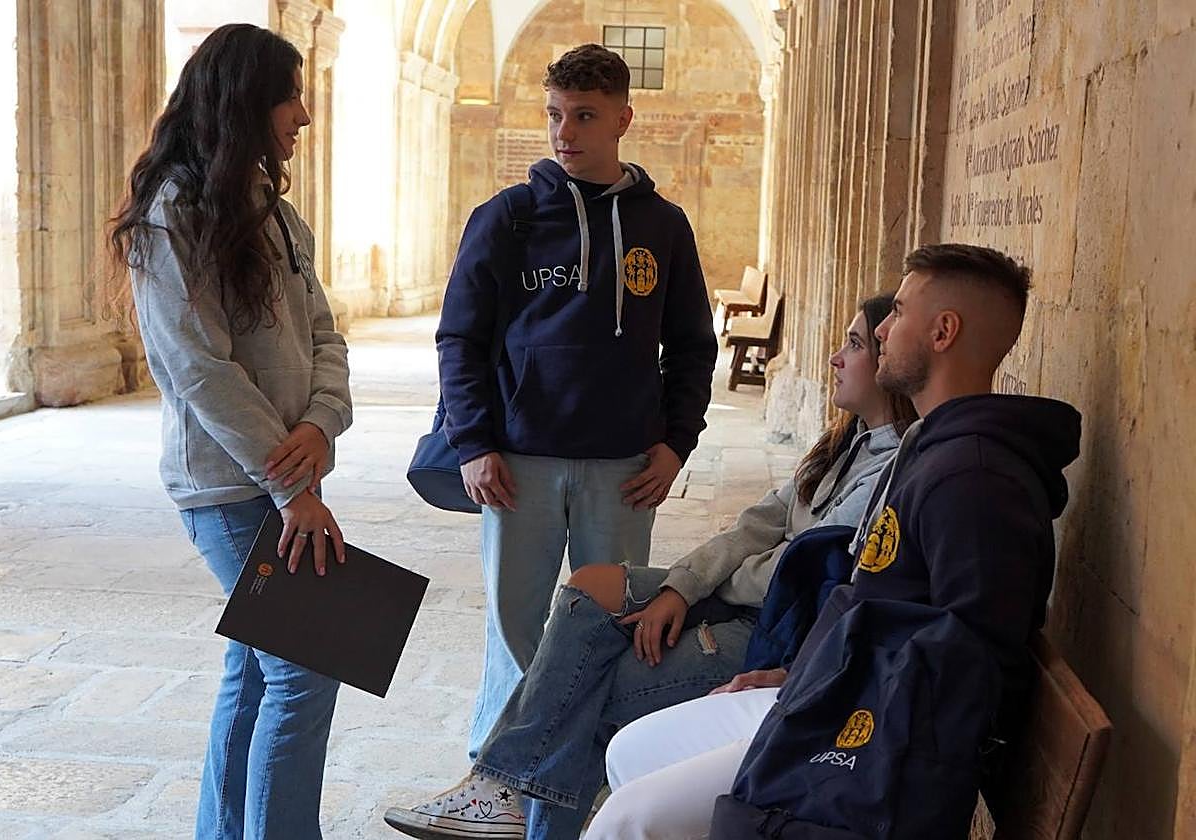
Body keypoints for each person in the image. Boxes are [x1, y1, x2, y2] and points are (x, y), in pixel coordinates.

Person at [583, 242, 1082, 840]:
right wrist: (802, 671)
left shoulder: (976, 478)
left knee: (628, 821)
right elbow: (872, 602)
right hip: (835, 686)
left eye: (898, 313)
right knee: (632, 751)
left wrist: (826, 718)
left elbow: (961, 666)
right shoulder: (928, 447)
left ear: (943, 331)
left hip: (878, 737)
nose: (886, 329)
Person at [385, 295, 917, 839]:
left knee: (583, 690)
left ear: (890, 361)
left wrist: (697, 591)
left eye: (853, 345)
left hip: (773, 633)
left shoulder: (890, 473)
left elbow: (793, 574)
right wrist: (683, 588)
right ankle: (502, 791)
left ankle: (510, 796)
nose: (835, 357)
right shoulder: (840, 447)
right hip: (735, 599)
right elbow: (753, 527)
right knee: (589, 586)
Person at [435, 43, 719, 761]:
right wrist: (471, 442)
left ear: (623, 118)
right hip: (517, 464)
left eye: (585, 116)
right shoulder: (508, 217)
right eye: (556, 114)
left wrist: (677, 441)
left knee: (610, 623)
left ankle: (586, 767)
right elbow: (459, 339)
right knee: (515, 628)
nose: (565, 132)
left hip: (623, 466)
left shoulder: (663, 225)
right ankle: (495, 772)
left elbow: (692, 345)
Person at [108, 24, 351, 840]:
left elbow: (326, 336)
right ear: (246, 99)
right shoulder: (170, 213)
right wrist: (292, 486)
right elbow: (197, 366)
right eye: (290, 94)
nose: (304, 115)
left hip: (287, 475)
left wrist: (321, 425)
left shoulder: (277, 214)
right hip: (229, 486)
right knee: (308, 668)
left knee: (257, 672)